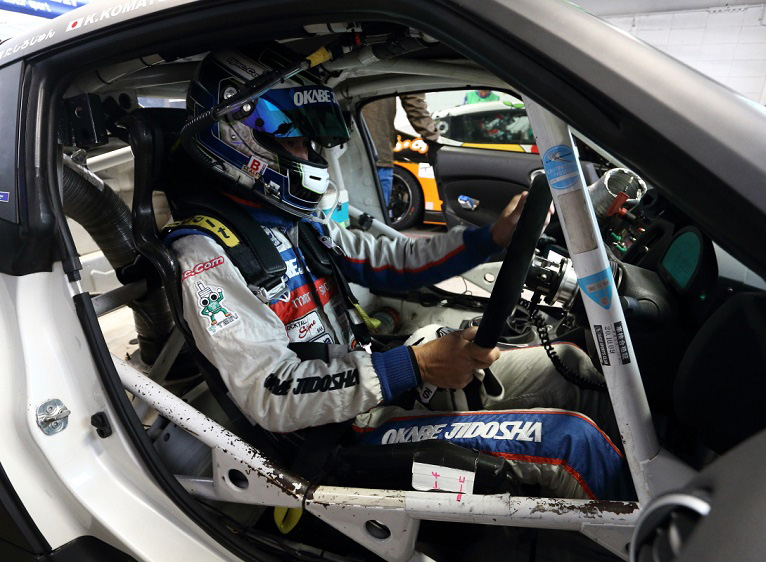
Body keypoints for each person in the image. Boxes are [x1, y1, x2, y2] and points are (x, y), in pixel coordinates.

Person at [170, 43, 626, 499]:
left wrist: (493, 237)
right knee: (574, 444)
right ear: (239, 136)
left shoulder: (298, 223)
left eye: (309, 140)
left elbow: (393, 260)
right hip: (338, 436)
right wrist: (415, 365)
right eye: (293, 139)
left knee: (572, 367)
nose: (307, 153)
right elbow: (271, 394)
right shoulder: (204, 253)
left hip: (373, 386)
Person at [361, 95, 439, 216]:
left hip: (341, 150)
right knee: (375, 217)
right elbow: (414, 101)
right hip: (376, 149)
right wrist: (433, 140)